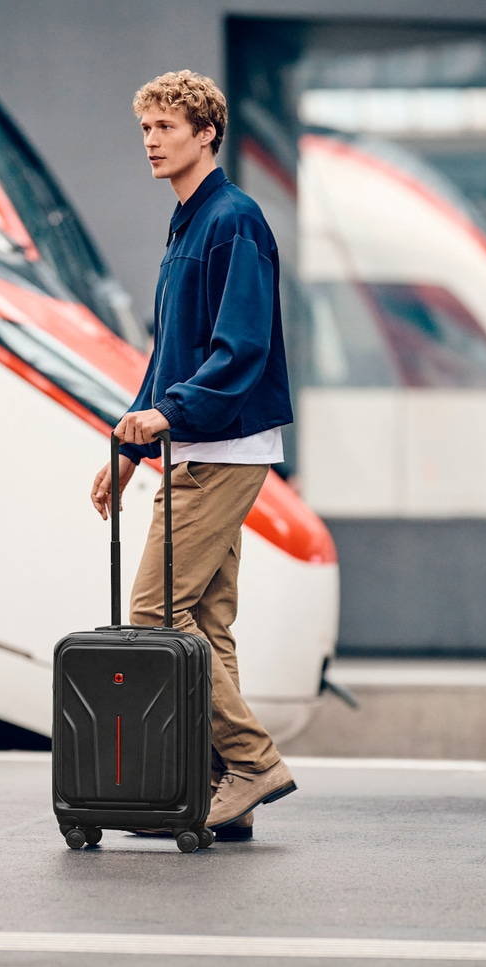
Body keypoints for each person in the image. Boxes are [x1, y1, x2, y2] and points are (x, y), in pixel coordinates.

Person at [90, 70, 296, 839]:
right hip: (194, 445)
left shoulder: (233, 222)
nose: (151, 142)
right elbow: (166, 358)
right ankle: (221, 792)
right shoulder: (188, 222)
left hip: (223, 448)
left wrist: (167, 414)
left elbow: (239, 350)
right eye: (145, 128)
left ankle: (252, 761)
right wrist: (128, 449)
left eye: (166, 128)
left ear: (206, 133)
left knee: (152, 616)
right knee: (207, 619)